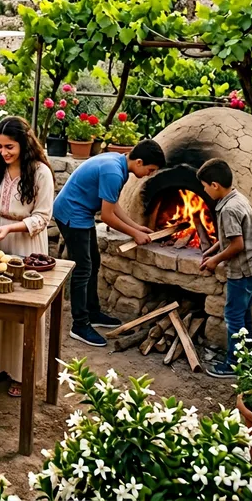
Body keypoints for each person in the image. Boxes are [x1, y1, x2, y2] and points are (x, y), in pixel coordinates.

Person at [53, 139, 166, 347]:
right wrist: (134, 233)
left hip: (82, 213)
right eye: (150, 170)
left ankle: (93, 312)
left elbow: (112, 205)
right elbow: (107, 216)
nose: (150, 174)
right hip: (71, 213)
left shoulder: (119, 164)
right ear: (139, 162)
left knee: (93, 262)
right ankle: (79, 324)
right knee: (83, 268)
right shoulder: (113, 172)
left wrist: (136, 227)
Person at [0, 117, 54, 397]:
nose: (3, 152)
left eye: (9, 147)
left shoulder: (40, 172)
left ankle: (23, 373)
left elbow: (43, 217)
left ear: (24, 143)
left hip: (25, 243)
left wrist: (10, 226)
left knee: (22, 307)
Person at [197, 158, 252, 378]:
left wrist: (215, 260)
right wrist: (213, 249)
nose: (205, 190)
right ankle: (246, 358)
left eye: (205, 186)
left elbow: (237, 244)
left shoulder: (228, 209)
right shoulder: (237, 198)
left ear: (215, 185)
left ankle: (233, 364)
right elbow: (230, 237)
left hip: (243, 270)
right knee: (243, 314)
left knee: (233, 316)